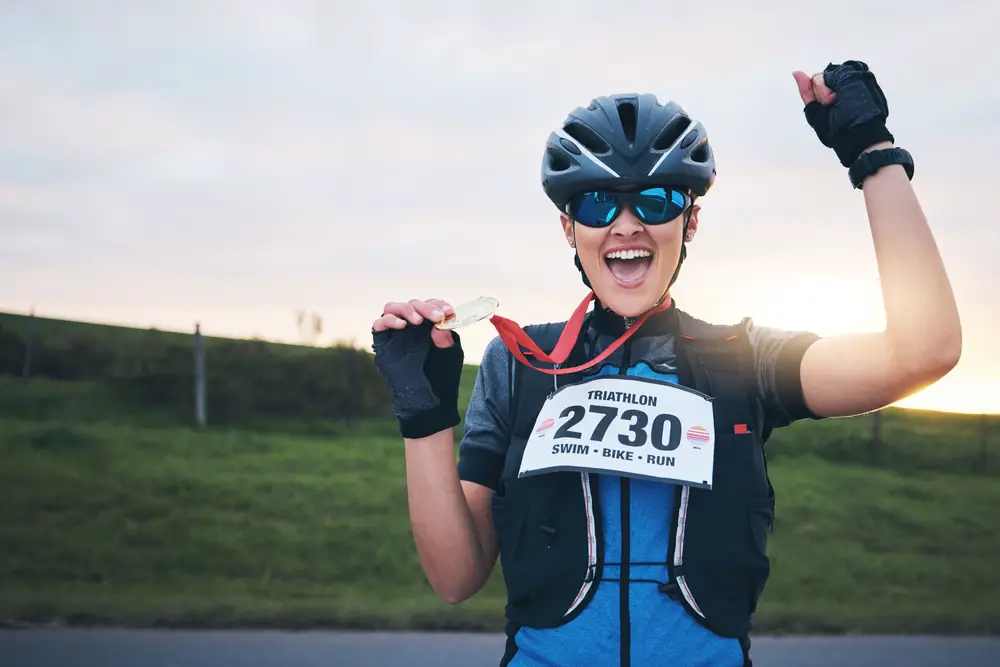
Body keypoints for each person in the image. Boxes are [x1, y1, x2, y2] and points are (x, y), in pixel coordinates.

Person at [371, 60, 962, 667]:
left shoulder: (742, 360)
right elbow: (453, 578)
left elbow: (923, 350)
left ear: (692, 221)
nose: (627, 225)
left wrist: (872, 153)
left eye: (656, 201)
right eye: (599, 204)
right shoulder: (520, 363)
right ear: (568, 228)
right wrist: (424, 415)